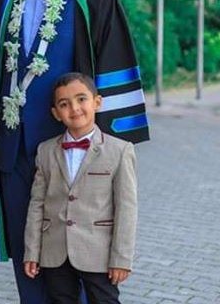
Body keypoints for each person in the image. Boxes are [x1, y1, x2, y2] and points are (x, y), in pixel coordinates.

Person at [0, 0, 149, 303]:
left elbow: (113, 70)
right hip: (17, 151)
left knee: (83, 255)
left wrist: (107, 152)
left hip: (75, 155)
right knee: (28, 254)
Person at [23, 72, 137, 304]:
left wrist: (121, 258)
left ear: (97, 102)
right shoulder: (45, 151)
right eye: (64, 104)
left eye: (81, 99)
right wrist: (32, 251)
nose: (74, 108)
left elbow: (127, 209)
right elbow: (37, 205)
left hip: (98, 252)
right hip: (55, 251)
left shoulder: (120, 151)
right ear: (56, 113)